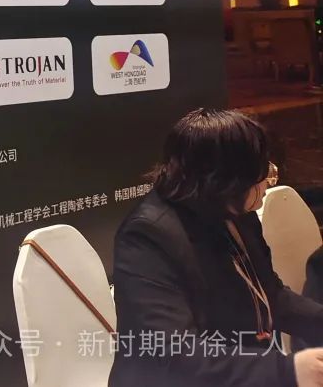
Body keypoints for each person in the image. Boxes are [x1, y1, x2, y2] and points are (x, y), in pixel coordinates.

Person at [110, 107, 323, 387]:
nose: (268, 182)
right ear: (225, 180)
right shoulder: (147, 237)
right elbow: (174, 353)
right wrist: (288, 370)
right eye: (261, 174)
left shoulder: (235, 212)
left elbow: (270, 296)